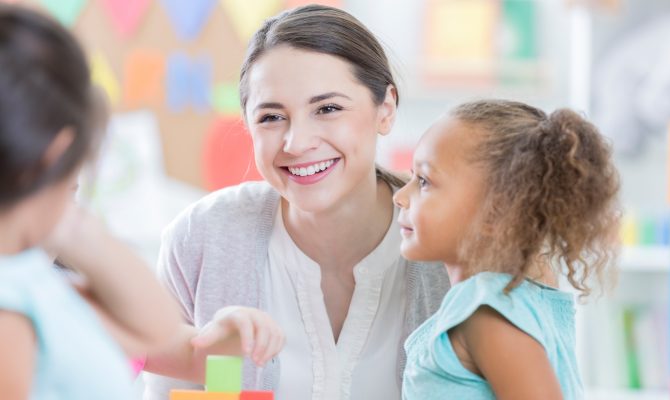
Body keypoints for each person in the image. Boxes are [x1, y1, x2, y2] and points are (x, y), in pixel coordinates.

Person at [143, 4, 450, 400]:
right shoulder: (201, 237)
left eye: (328, 109)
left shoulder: (452, 245)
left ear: (385, 108)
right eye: (272, 117)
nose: (297, 142)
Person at [0, 4, 182, 399]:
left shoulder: (29, 277)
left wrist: (63, 217)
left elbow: (157, 327)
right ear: (58, 154)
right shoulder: (10, 309)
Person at [395, 100, 620, 399]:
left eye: (424, 181)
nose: (400, 196)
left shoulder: (486, 310)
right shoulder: (518, 297)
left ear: (496, 212)